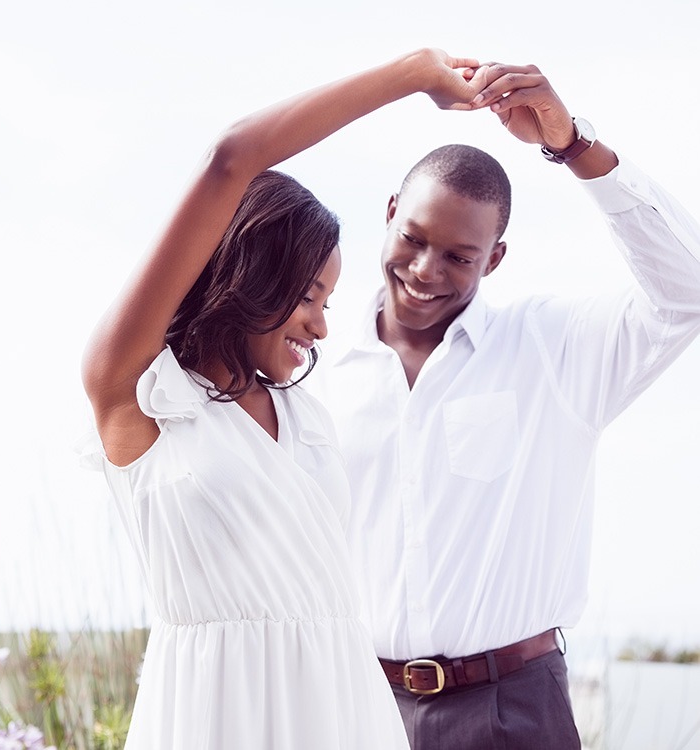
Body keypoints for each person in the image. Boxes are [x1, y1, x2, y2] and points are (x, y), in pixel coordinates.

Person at [79, 48, 494, 749]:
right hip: (215, 718)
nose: (322, 325)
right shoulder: (141, 396)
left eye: (329, 299)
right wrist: (414, 74)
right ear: (247, 277)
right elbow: (232, 158)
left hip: (342, 710)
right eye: (307, 296)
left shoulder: (303, 413)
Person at [309, 62, 700, 748]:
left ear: (493, 259)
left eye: (459, 256)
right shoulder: (310, 370)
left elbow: (686, 290)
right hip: (355, 709)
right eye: (413, 239)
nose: (426, 270)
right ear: (389, 213)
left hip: (511, 712)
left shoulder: (553, 350)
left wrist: (574, 145)